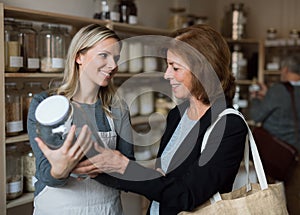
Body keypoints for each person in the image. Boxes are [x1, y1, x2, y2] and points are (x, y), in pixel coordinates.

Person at [71, 24, 248, 215]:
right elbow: (160, 182)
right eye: (167, 65)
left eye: (175, 67)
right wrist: (98, 168)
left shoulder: (228, 125)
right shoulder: (177, 114)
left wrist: (125, 167)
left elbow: (186, 195)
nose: (166, 75)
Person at [27, 23, 134, 215]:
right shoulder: (46, 104)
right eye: (104, 55)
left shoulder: (117, 108)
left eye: (116, 58)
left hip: (106, 209)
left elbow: (128, 172)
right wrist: (60, 170)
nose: (113, 65)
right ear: (79, 57)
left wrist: (97, 170)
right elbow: (45, 173)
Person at [249, 54, 300, 215]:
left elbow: (256, 115)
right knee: (295, 197)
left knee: (267, 196)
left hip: (273, 153)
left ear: (285, 69)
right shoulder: (278, 92)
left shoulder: (278, 90)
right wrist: (269, 93)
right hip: (295, 154)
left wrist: (255, 98)